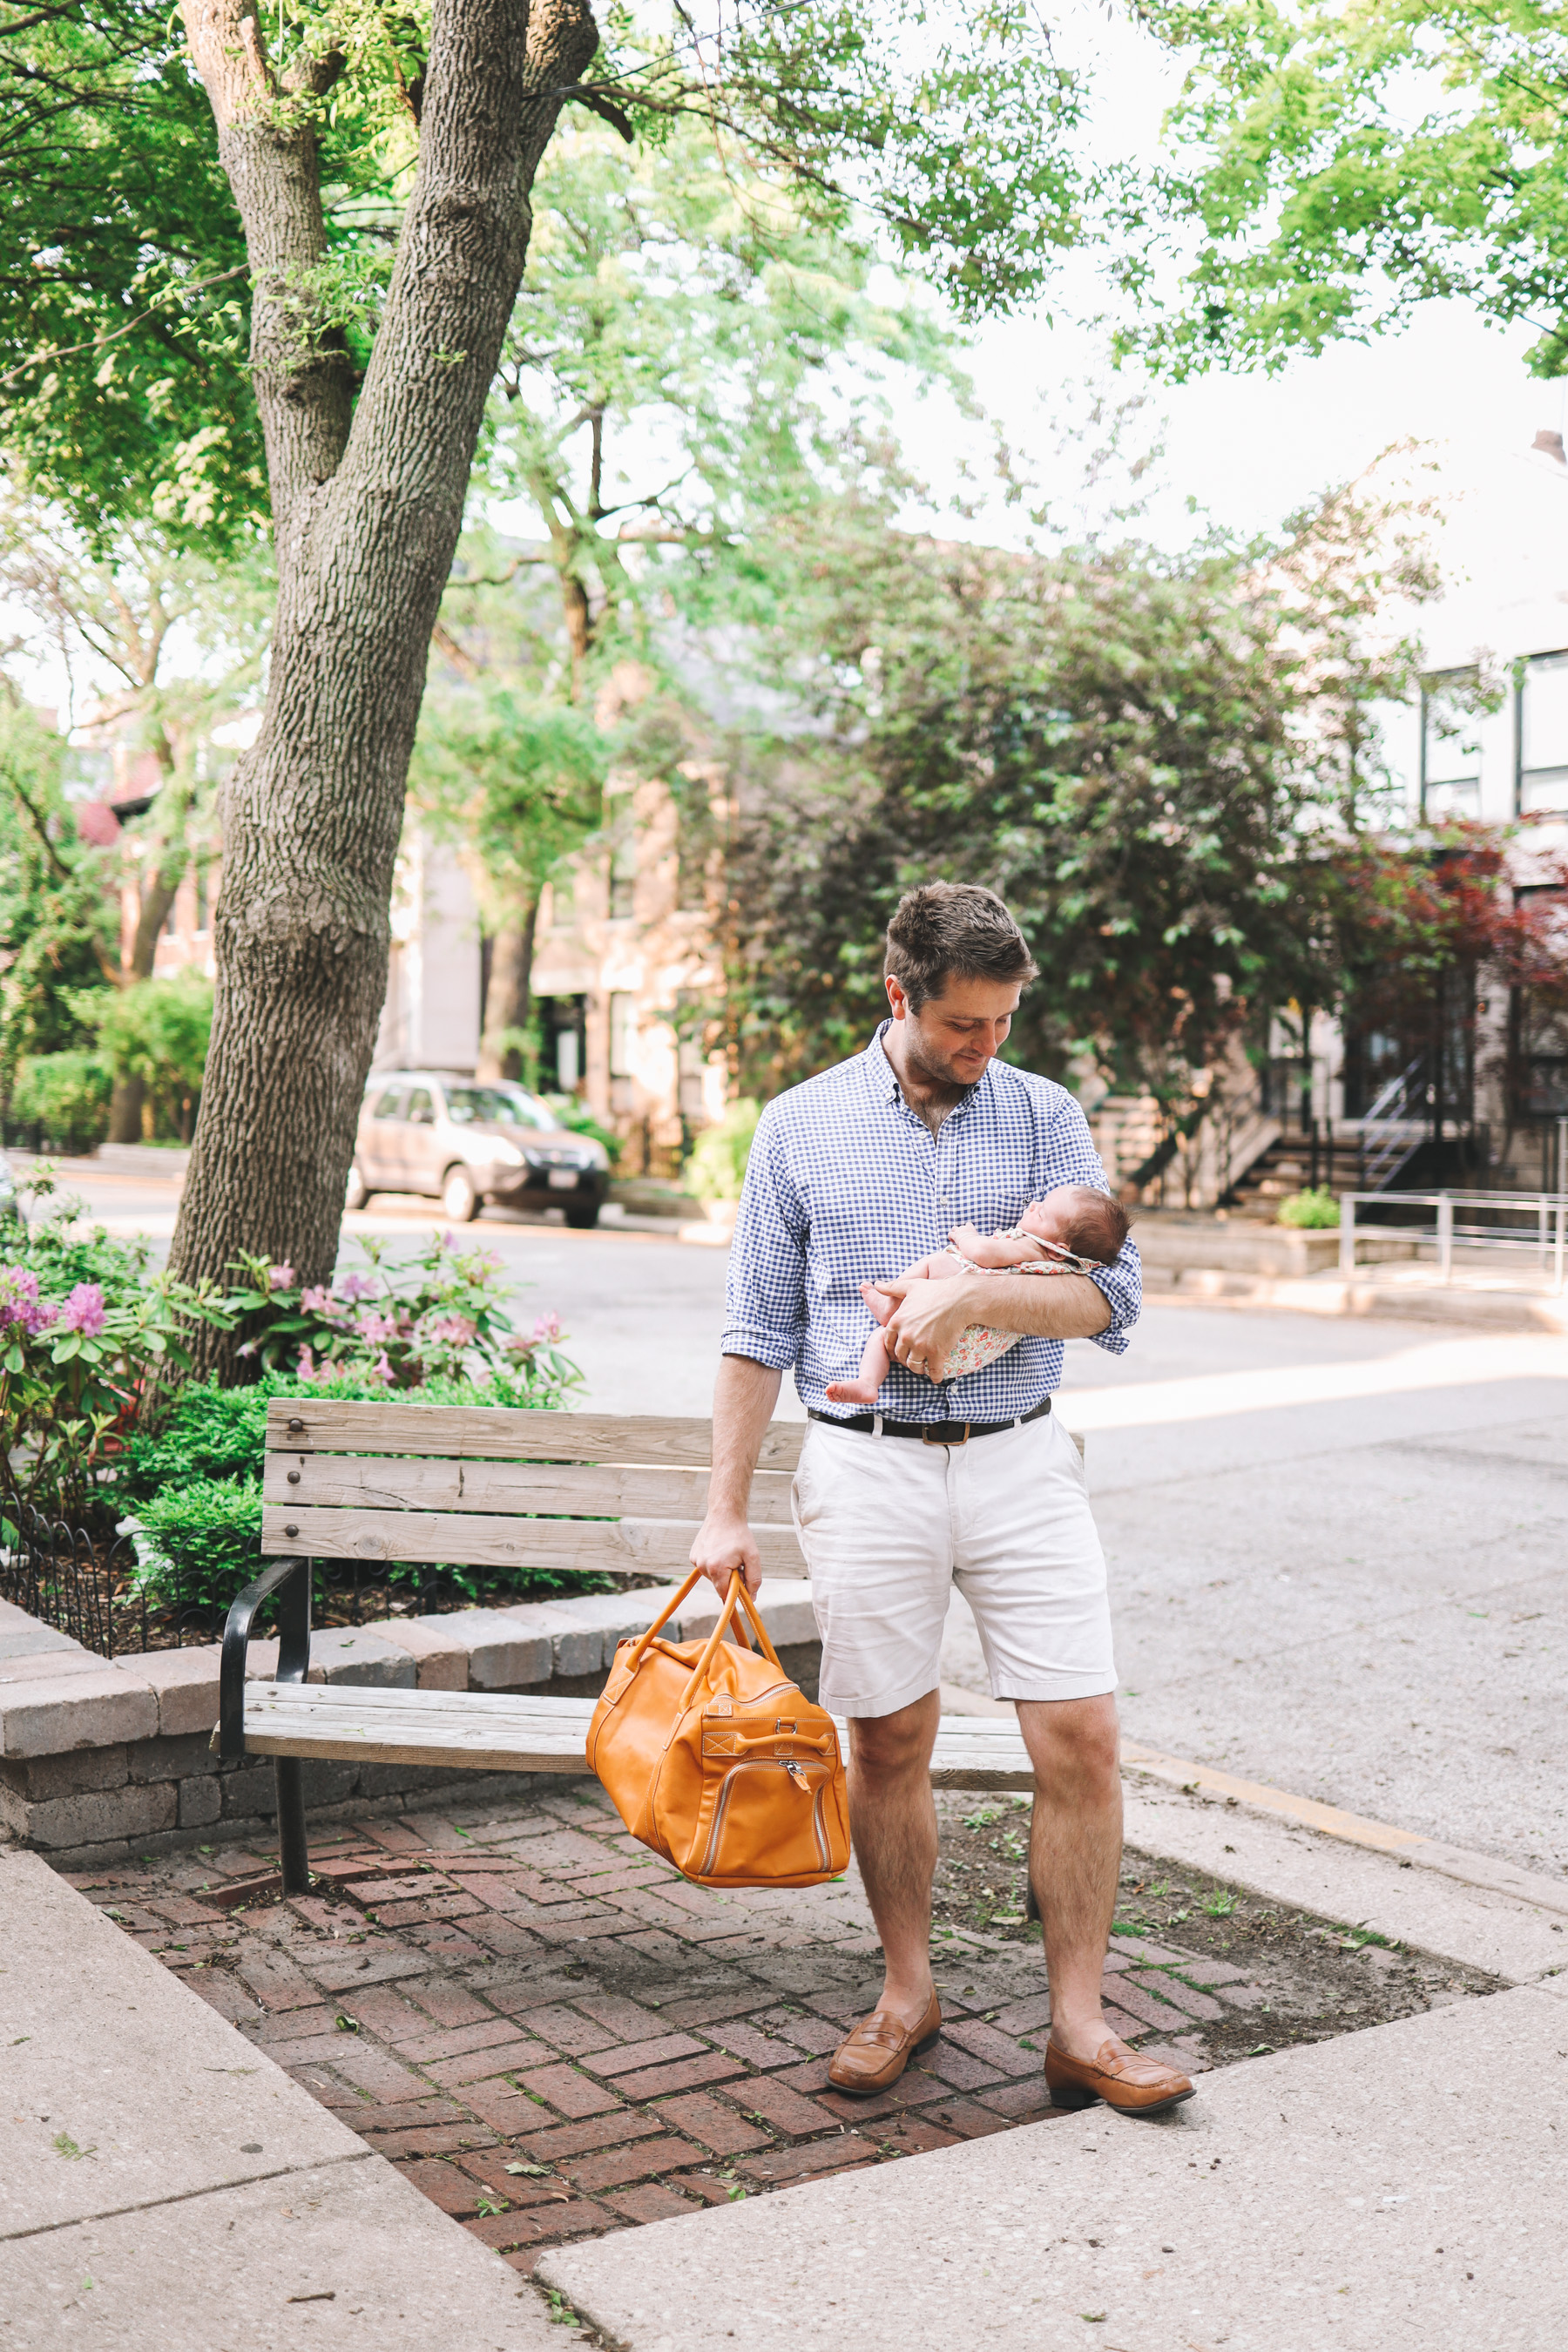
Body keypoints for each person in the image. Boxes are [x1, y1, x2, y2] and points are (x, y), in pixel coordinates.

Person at [689, 882, 1194, 2120]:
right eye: (967, 1024)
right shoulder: (799, 1127)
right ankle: (907, 1994)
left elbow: (1109, 1302)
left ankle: (1079, 2026)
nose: (990, 1047)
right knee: (891, 1742)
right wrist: (725, 1512)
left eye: (1007, 1021)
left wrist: (976, 1302)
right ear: (899, 994)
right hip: (867, 1466)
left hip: (1022, 1458)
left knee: (1082, 1739)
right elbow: (757, 1330)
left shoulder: (1045, 1117)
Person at [824, 1184, 1131, 1406]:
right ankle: (867, 1385)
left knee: (936, 1263)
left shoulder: (1033, 1248)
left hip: (953, 1332)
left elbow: (983, 1253)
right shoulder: (1067, 1268)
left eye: (1042, 1213)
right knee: (881, 1338)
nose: (1034, 1206)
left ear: (1060, 1248)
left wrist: (965, 1236)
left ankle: (890, 1304)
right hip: (966, 1352)